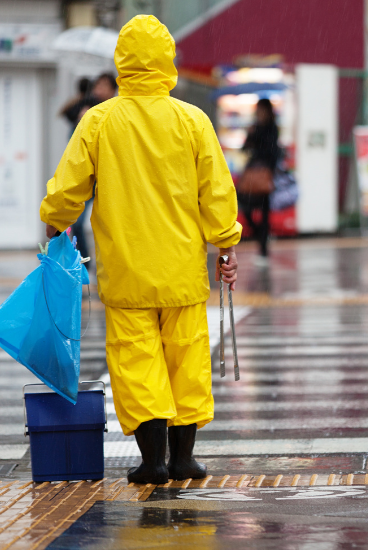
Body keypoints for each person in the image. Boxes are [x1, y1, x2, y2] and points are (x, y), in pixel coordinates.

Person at [39, 15, 242, 485]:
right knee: (186, 360)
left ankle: (152, 462)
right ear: (168, 62)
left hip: (126, 271)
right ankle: (184, 458)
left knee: (136, 361)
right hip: (182, 271)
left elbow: (68, 189)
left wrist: (54, 221)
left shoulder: (100, 120)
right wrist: (225, 244)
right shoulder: (193, 120)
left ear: (123, 63)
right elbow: (216, 193)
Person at [68, 73, 118, 267]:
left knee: (111, 225)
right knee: (78, 223)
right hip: (89, 178)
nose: (100, 89)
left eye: (105, 86)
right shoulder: (86, 110)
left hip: (109, 178)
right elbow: (74, 151)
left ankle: (109, 265)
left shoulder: (117, 112)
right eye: (98, 85)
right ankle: (84, 264)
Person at [240, 98, 279, 259]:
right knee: (245, 206)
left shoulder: (272, 128)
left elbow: (271, 150)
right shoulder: (254, 127)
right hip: (252, 175)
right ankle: (260, 237)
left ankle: (263, 250)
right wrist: (250, 135)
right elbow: (245, 148)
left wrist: (257, 135)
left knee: (264, 214)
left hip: (264, 176)